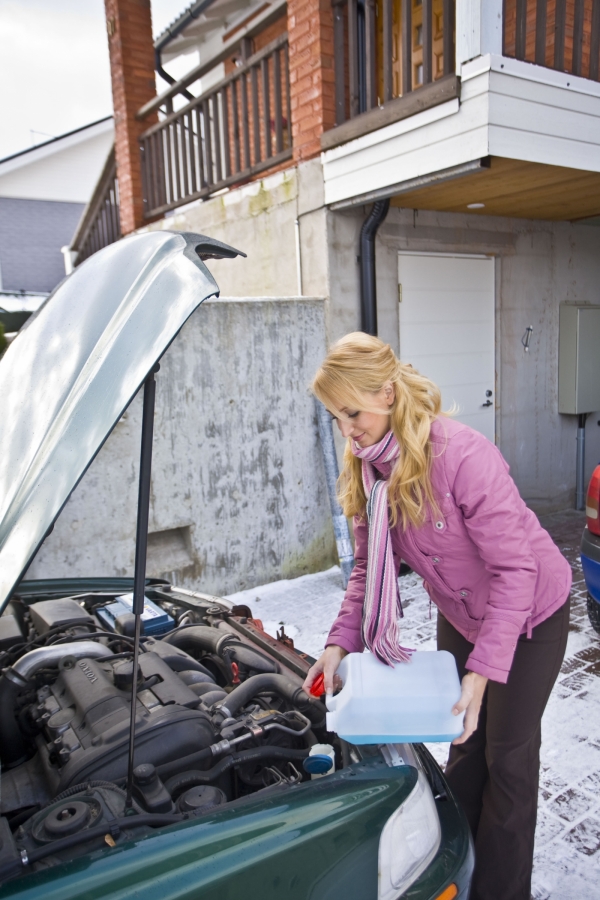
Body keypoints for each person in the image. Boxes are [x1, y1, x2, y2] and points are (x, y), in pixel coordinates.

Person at [303, 333, 571, 900]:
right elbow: (364, 574)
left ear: (389, 393)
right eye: (336, 416)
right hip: (465, 612)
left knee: (508, 756)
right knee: (464, 741)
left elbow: (515, 572)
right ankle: (460, 867)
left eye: (353, 411)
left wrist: (482, 673)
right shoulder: (369, 473)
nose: (347, 430)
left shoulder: (462, 456)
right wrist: (338, 645)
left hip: (531, 613)